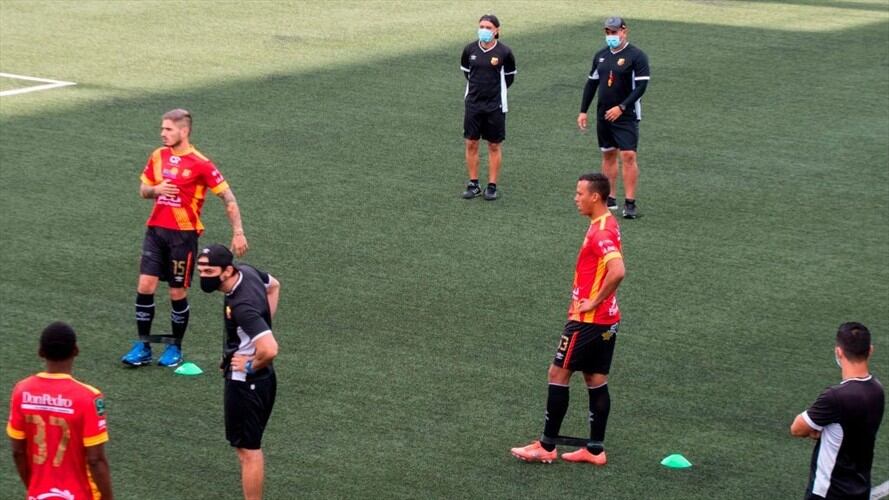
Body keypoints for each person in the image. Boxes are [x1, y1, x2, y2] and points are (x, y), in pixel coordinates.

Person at [511, 172, 625, 465]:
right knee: (595, 378)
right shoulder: (607, 224)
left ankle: (547, 445)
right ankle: (595, 450)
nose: (576, 198)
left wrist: (593, 301)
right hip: (607, 320)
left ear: (595, 196)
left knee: (557, 373)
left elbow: (618, 271)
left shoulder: (600, 233)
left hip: (588, 319)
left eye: (579, 193)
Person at [121, 108, 249, 368]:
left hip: (183, 237)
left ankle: (174, 347)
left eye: (168, 129)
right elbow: (143, 189)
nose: (162, 133)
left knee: (177, 292)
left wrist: (238, 232)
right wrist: (156, 189)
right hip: (156, 231)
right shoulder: (158, 156)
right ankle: (143, 345)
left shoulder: (201, 163)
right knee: (145, 285)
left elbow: (228, 197)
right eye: (162, 128)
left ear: (184, 131)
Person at [197, 244, 280, 500]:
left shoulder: (242, 305)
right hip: (263, 380)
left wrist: (248, 363)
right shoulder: (248, 273)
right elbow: (274, 285)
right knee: (249, 447)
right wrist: (263, 326)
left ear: (227, 270)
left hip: (246, 383)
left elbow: (270, 349)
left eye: (209, 271)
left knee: (248, 452)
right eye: (200, 270)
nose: (203, 276)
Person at [7, 322, 114, 500]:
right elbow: (95, 460)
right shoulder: (89, 397)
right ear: (76, 350)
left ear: (40, 352)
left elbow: (18, 452)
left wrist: (34, 488)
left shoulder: (21, 390)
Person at [791, 322, 884, 500]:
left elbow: (797, 428)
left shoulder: (836, 397)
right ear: (870, 350)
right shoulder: (877, 390)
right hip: (859, 489)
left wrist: (819, 430)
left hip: (829, 493)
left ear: (839, 352)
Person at [577, 16, 650, 219]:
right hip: (603, 115)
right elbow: (591, 84)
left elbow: (642, 86)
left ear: (624, 31)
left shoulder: (637, 56)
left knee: (628, 156)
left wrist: (622, 107)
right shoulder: (600, 56)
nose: (611, 36)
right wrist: (583, 110)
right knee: (608, 154)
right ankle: (610, 199)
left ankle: (630, 203)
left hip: (627, 114)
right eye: (608, 32)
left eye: (615, 32)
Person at [460, 14, 517, 201]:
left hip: (495, 105)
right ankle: (473, 183)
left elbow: (509, 77)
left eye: (488, 27)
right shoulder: (469, 50)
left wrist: (494, 92)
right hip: (473, 104)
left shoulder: (504, 52)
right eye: (481, 26)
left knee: (493, 145)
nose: (484, 30)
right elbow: (467, 73)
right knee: (471, 143)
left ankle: (492, 185)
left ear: (496, 30)